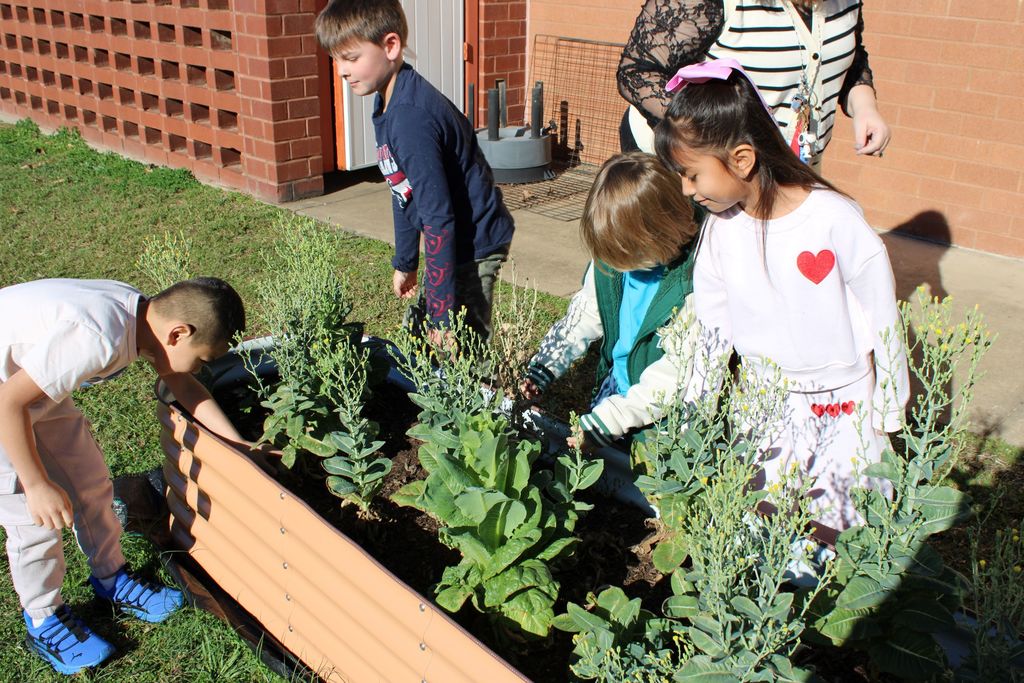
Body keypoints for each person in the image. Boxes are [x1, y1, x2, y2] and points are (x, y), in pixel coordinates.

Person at [655, 61, 908, 530]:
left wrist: (890, 404)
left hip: (843, 405)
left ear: (743, 160)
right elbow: (712, 329)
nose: (686, 190)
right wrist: (697, 408)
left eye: (692, 175)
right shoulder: (721, 232)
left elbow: (882, 314)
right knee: (760, 521)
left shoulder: (834, 219)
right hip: (763, 405)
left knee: (840, 529)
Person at [0, 277, 251, 674]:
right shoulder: (96, 337)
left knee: (90, 483)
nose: (202, 368)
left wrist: (239, 446)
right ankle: (43, 618)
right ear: (178, 333)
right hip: (7, 402)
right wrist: (35, 484)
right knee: (34, 522)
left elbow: (181, 381)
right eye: (204, 359)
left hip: (29, 391)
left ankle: (111, 578)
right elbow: (8, 404)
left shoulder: (140, 316)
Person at [315, 0, 515, 344]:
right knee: (417, 338)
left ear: (390, 46)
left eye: (350, 58)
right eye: (336, 59)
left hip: (474, 241)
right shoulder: (388, 101)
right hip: (452, 237)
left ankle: (485, 395)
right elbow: (401, 188)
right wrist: (406, 260)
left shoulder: (410, 117)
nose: (341, 71)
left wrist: (442, 313)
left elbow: (439, 217)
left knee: (462, 351)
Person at [521, 153, 699, 451]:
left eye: (626, 256)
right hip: (617, 384)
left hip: (661, 410)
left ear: (664, 231)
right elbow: (585, 313)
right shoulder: (614, 260)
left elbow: (673, 377)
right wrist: (547, 364)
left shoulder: (691, 285)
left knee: (643, 476)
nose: (616, 266)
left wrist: (611, 421)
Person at [618, 0, 890, 169]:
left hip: (791, 166)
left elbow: (851, 58)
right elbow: (638, 72)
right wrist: (713, 144)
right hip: (696, 165)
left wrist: (865, 107)